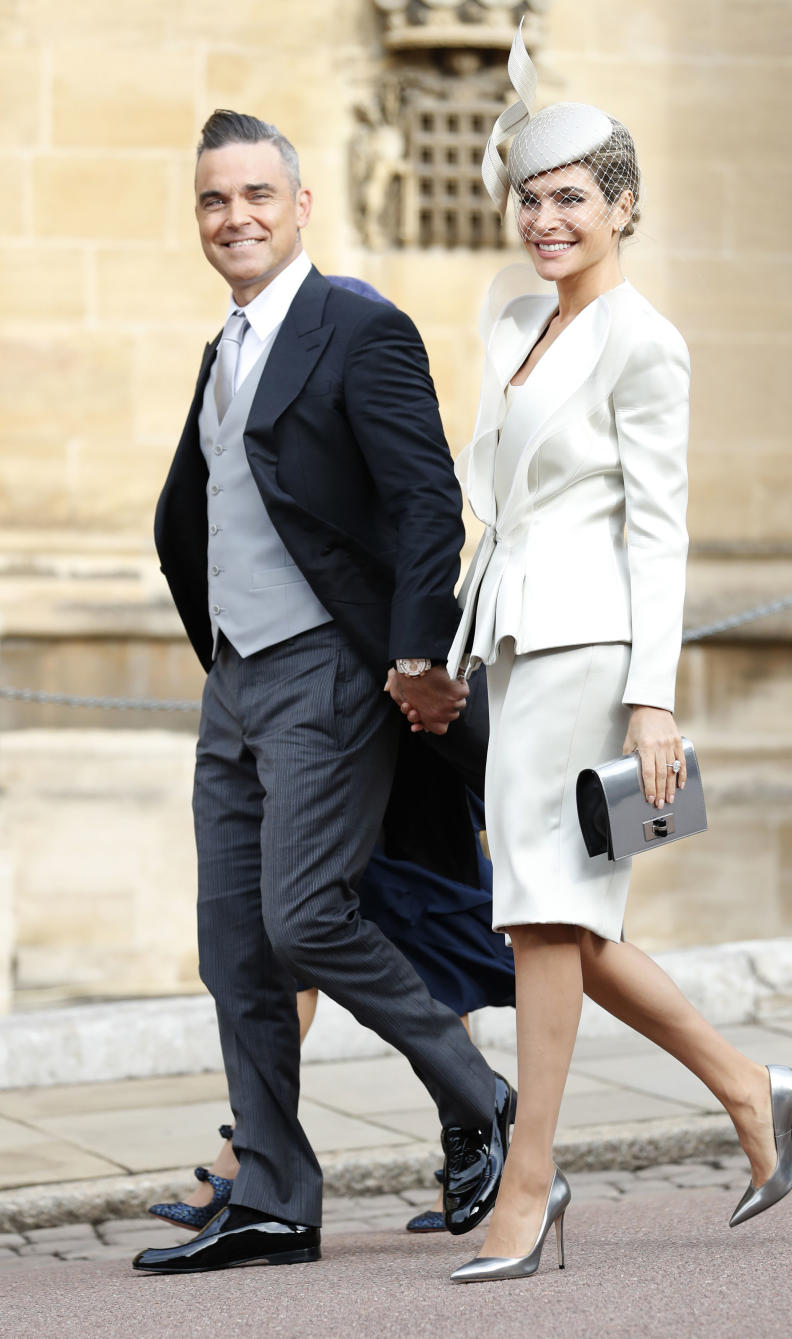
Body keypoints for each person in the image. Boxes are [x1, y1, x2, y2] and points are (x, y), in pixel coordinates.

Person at [405, 27, 792, 1284]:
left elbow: (662, 520)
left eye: (574, 198)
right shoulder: (526, 321)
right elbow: (505, 511)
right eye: (532, 196)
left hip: (593, 649)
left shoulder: (643, 338)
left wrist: (654, 697)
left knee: (545, 914)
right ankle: (753, 1089)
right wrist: (448, 647)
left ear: (625, 207)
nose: (546, 219)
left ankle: (529, 1185)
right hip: (520, 641)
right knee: (560, 914)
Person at [133, 109, 516, 1275]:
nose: (234, 217)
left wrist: (412, 653)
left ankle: (480, 1095)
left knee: (304, 915)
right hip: (236, 680)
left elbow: (424, 503)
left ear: (302, 205)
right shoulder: (227, 343)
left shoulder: (359, 325)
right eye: (213, 199)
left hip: (332, 673)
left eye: (255, 194)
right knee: (234, 947)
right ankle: (277, 1198)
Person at [148, 818, 515, 1235]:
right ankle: (242, 1157)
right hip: (315, 787)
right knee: (292, 945)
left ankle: (477, 1136)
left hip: (386, 781)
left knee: (431, 946)